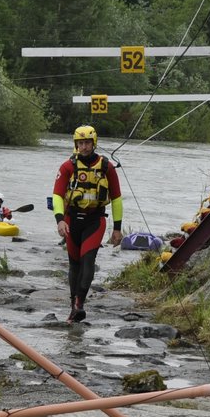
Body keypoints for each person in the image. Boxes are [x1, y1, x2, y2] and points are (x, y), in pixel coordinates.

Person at [51, 126, 123, 323]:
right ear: (76, 145)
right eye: (80, 143)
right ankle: (73, 306)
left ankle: (79, 304)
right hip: (72, 220)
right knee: (74, 265)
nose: (84, 147)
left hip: (95, 220)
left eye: (87, 143)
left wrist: (117, 228)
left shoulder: (107, 167)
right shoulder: (67, 167)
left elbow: (116, 198)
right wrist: (59, 221)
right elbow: (57, 195)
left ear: (94, 143)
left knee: (88, 259)